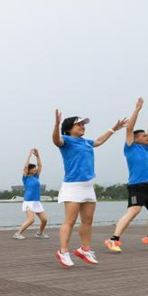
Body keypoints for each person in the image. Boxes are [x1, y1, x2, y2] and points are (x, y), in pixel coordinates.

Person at [52, 111, 128, 267]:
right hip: (72, 186)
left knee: (87, 220)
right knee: (70, 221)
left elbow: (99, 141)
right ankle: (63, 251)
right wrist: (56, 125)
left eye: (83, 125)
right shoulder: (66, 141)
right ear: (68, 129)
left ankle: (84, 249)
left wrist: (114, 128)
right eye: (78, 124)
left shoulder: (85, 142)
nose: (82, 127)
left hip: (87, 186)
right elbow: (56, 140)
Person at [106, 98, 148, 252]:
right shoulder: (131, 147)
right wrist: (137, 110)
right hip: (136, 186)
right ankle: (113, 240)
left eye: (147, 136)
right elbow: (129, 129)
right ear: (136, 138)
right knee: (134, 210)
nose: (147, 137)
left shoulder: (147, 147)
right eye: (144, 136)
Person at [12, 148, 48, 239]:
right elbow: (25, 167)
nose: (35, 169)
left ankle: (39, 233)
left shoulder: (36, 177)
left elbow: (40, 166)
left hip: (36, 201)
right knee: (31, 220)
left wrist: (38, 156)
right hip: (28, 201)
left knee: (44, 220)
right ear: (29, 170)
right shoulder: (25, 178)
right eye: (33, 168)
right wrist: (29, 155)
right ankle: (18, 233)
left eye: (35, 168)